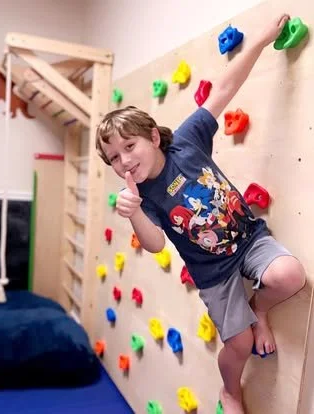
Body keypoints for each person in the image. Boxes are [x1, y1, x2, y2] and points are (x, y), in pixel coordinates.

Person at [95, 13, 306, 414]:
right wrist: (135, 210)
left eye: (129, 147)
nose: (123, 162)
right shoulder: (141, 194)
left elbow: (224, 88)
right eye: (114, 159)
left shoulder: (187, 142)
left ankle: (260, 308)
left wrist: (261, 40)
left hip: (249, 239)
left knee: (290, 276)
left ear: (154, 137)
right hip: (214, 272)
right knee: (239, 343)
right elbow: (156, 245)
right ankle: (230, 389)